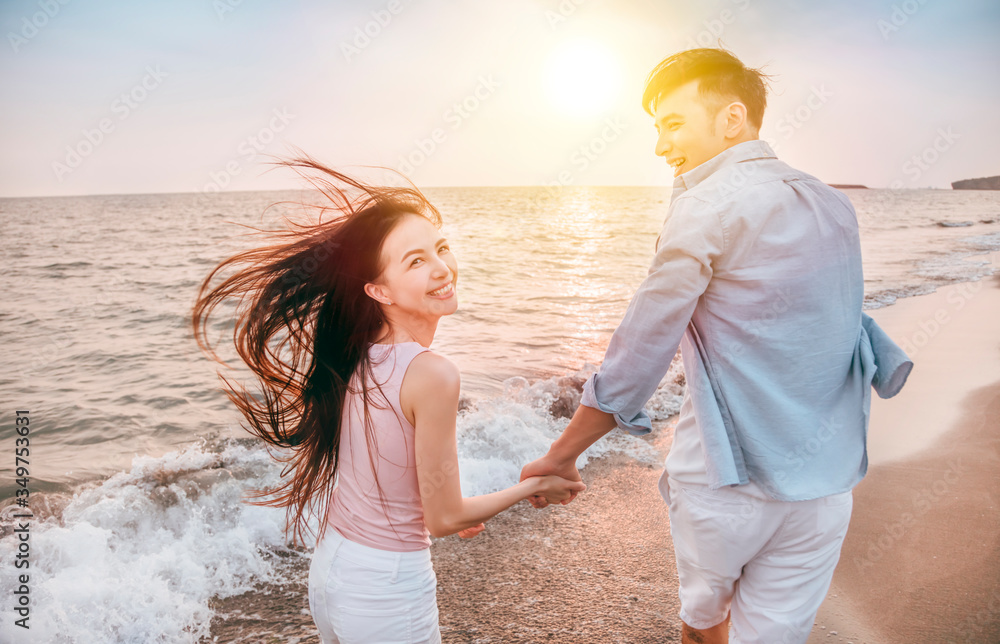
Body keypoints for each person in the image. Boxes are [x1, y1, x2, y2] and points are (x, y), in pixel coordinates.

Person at [521, 48, 913, 644]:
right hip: (826, 483)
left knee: (704, 627)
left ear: (732, 119)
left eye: (672, 123)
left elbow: (639, 352)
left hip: (724, 483)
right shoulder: (836, 203)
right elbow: (841, 328)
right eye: (655, 128)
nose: (660, 146)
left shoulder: (703, 204)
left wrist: (562, 452)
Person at [191, 155, 585, 644]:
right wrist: (534, 486)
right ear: (378, 288)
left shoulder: (357, 353)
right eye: (416, 261)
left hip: (334, 570)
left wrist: (463, 511)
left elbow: (403, 481)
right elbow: (443, 519)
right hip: (387, 588)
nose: (443, 269)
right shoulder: (432, 373)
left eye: (441, 248)